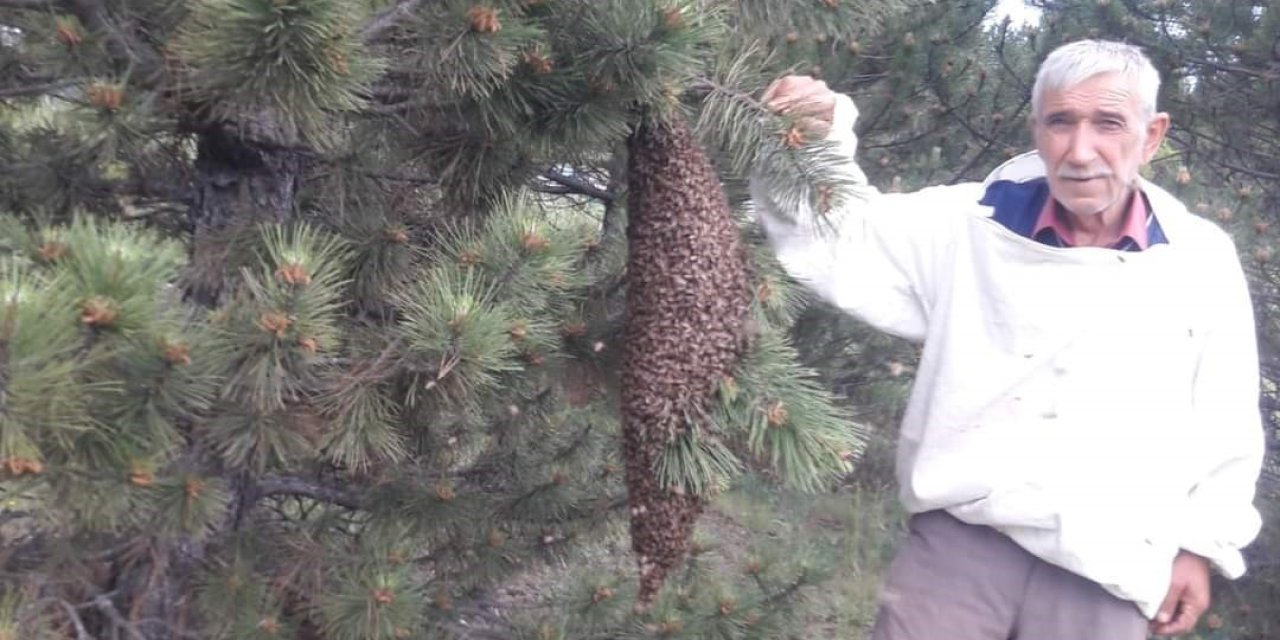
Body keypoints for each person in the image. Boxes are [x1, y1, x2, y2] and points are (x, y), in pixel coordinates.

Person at [753, 39, 1265, 639]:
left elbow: (1225, 417)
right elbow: (839, 235)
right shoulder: (966, 227)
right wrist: (814, 133)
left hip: (1112, 558)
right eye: (1060, 122)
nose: (1080, 151)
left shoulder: (1198, 259)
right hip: (963, 541)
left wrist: (1199, 546)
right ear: (1036, 128)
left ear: (1151, 136)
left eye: (1108, 124)